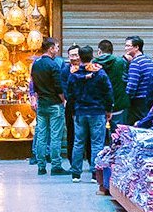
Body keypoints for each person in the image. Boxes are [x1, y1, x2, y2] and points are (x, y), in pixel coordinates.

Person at [66, 45, 113, 181]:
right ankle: (95, 174)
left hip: (80, 112)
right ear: (92, 56)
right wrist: (108, 109)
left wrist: (73, 110)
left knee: (78, 142)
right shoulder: (100, 72)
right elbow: (108, 91)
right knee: (97, 143)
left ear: (79, 57)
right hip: (97, 112)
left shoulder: (73, 74)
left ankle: (76, 174)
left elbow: (70, 94)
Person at [29, 37, 67, 175]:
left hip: (42, 104)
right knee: (55, 137)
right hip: (54, 104)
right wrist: (63, 100)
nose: (57, 50)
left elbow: (34, 84)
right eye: (56, 47)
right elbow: (58, 87)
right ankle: (56, 166)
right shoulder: (54, 65)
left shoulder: (36, 64)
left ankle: (41, 166)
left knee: (41, 136)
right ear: (51, 49)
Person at [125, 35, 153, 124]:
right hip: (148, 99)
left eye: (128, 46)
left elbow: (132, 85)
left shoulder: (135, 63)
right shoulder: (148, 60)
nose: (125, 48)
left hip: (137, 102)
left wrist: (126, 99)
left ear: (136, 47)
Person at [95, 39, 130, 130]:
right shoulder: (120, 62)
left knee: (99, 134)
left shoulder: (94, 64)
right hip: (119, 104)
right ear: (112, 51)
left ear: (99, 51)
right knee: (119, 133)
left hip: (99, 106)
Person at [63, 44, 82, 159]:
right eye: (72, 55)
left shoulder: (87, 68)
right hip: (71, 107)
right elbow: (64, 88)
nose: (74, 58)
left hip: (85, 107)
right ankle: (72, 159)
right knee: (71, 134)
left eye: (76, 55)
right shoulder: (65, 71)